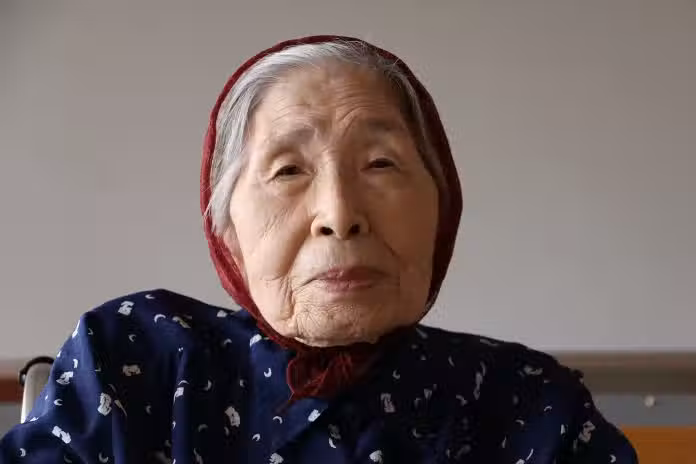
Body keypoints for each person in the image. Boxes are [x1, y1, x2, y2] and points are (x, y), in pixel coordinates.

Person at [0, 35, 637, 463]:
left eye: (381, 163)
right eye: (287, 171)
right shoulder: (137, 361)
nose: (339, 215)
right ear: (227, 231)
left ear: (442, 207)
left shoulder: (529, 404)